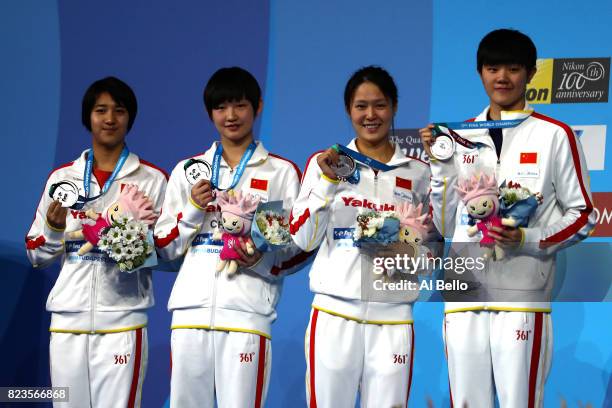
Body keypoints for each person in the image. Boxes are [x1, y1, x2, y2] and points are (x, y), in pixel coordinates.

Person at [420, 29, 596, 407]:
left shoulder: (555, 135)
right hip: (463, 294)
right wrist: (438, 166)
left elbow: (583, 216)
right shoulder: (458, 137)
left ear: (531, 73)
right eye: (492, 67)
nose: (502, 77)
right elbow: (447, 225)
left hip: (521, 297)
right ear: (480, 72)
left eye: (513, 68)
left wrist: (526, 239)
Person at [154, 66, 312, 408]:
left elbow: (297, 247)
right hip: (190, 313)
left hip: (247, 313)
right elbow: (165, 248)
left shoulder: (280, 172)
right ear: (210, 112)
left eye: (239, 105)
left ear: (258, 106)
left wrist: (260, 262)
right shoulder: (187, 170)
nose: (230, 116)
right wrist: (195, 208)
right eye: (221, 107)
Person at [291, 66, 437, 407]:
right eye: (361, 106)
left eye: (380, 105)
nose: (370, 115)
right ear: (348, 110)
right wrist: (327, 183)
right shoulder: (324, 163)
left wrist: (406, 254)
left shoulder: (418, 173)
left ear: (395, 107)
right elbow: (304, 240)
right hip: (334, 314)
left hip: (393, 317)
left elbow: (431, 249)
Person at [26, 76, 168, 407]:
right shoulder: (62, 179)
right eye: (100, 110)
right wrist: (53, 226)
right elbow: (36, 253)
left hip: (122, 322)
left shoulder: (152, 179)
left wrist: (129, 244)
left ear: (129, 118)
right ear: (88, 116)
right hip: (68, 322)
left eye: (118, 111)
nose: (109, 119)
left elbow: (165, 252)